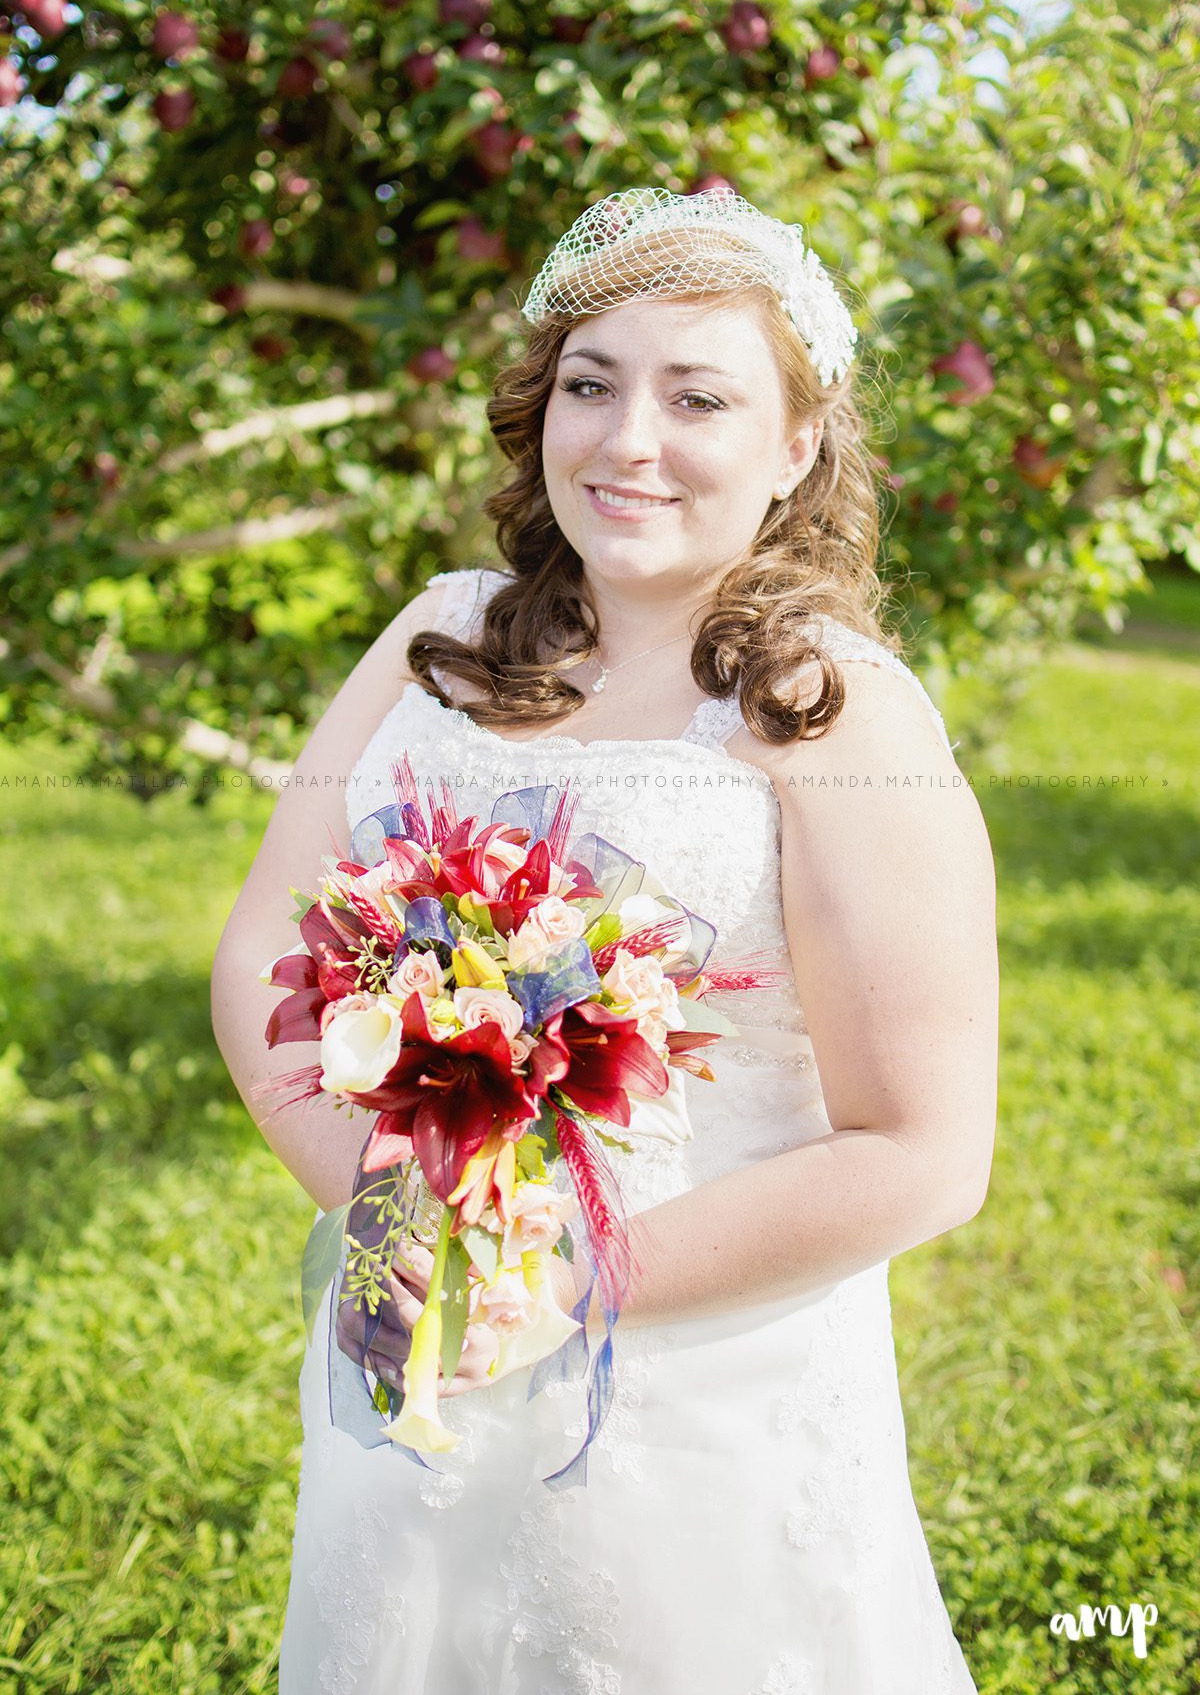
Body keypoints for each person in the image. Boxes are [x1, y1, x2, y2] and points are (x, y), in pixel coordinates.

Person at [210, 186, 997, 1694]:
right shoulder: (434, 639)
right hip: (409, 1336)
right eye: (591, 384)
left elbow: (923, 1151)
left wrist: (559, 1285)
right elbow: (263, 953)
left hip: (698, 1392)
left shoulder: (831, 713)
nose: (628, 439)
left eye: (698, 396)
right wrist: (398, 1237)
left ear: (797, 447)